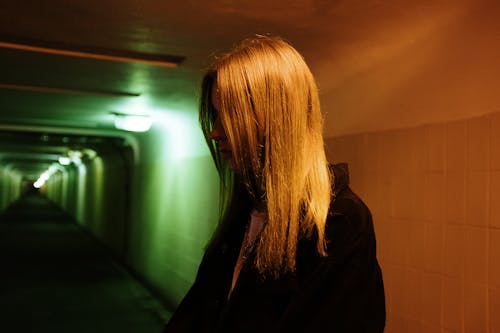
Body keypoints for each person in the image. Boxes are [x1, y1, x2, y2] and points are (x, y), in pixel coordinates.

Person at [162, 35, 385, 333]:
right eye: (215, 115)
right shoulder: (246, 212)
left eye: (229, 114)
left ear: (273, 118)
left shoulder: (338, 223)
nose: (215, 132)